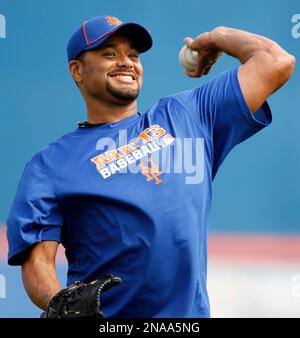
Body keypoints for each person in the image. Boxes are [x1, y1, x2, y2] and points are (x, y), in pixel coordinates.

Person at [6, 15, 295, 318]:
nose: (126, 62)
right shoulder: (49, 166)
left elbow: (276, 61)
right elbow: (38, 264)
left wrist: (215, 36)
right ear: (77, 70)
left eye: (133, 55)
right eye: (109, 53)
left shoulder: (189, 115)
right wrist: (60, 304)